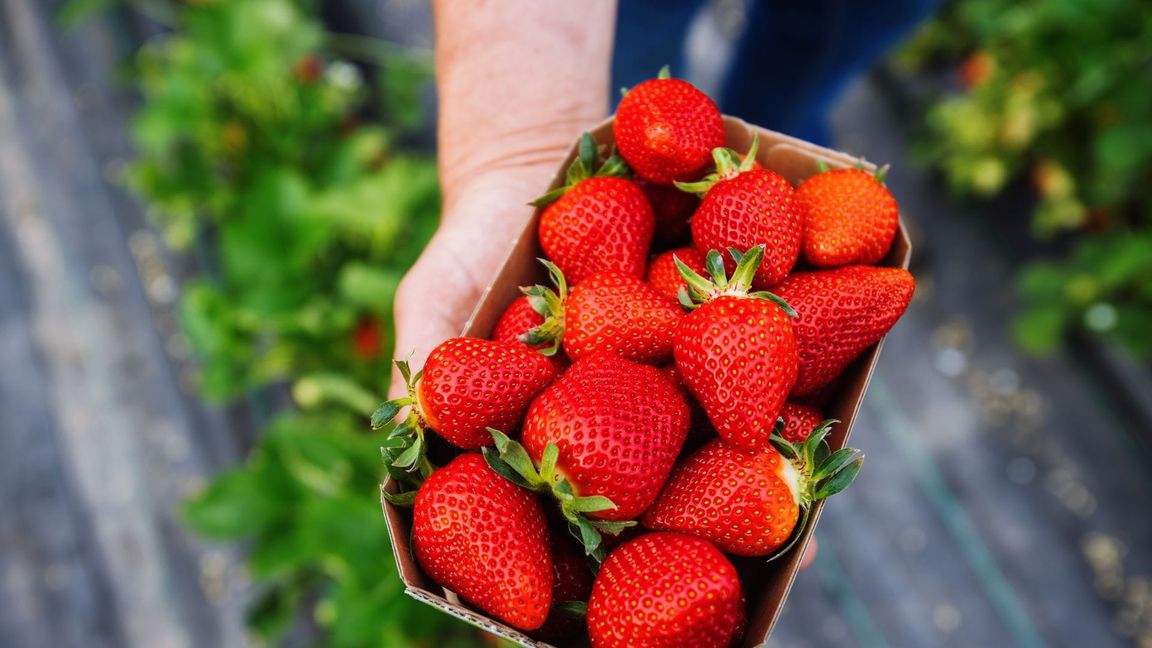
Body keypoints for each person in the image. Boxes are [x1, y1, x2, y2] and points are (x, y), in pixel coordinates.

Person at [391, 0, 938, 568]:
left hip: (703, 299)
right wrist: (518, 152)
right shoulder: (704, 325)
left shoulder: (703, 319)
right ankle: (784, 126)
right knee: (649, 40)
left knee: (829, 39)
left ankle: (791, 121)